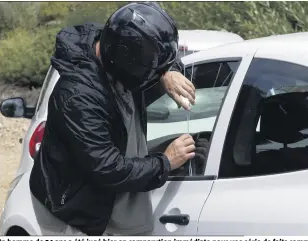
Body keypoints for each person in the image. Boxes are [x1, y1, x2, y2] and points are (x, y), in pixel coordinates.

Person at [29, 2, 208, 236]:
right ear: (127, 65)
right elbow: (108, 169)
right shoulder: (77, 97)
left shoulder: (119, 41)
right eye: (149, 72)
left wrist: (168, 72)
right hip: (72, 211)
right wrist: (166, 161)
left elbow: (158, 48)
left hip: (108, 197)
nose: (151, 78)